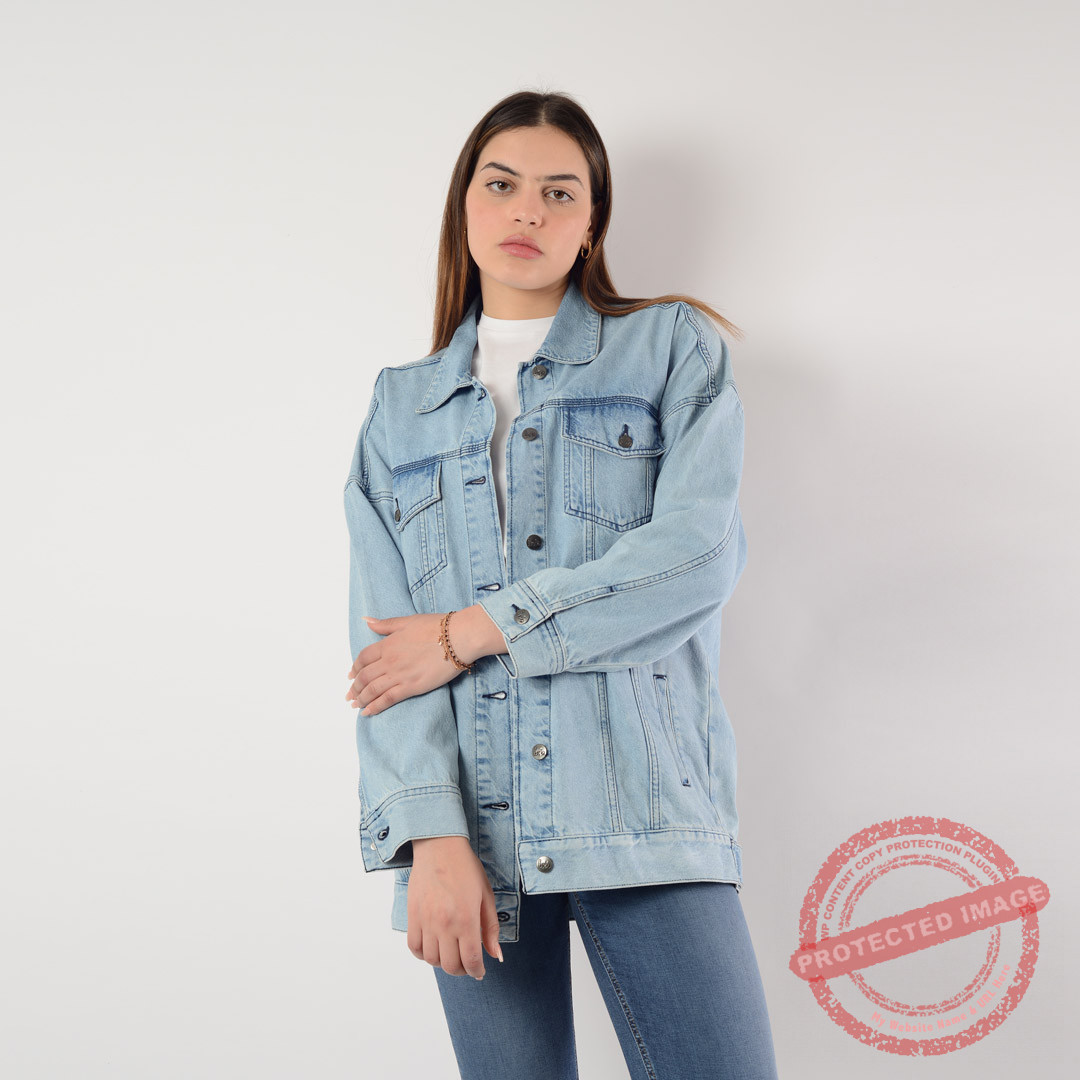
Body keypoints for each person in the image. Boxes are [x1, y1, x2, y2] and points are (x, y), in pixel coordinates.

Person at [343, 90, 779, 1080]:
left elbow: (696, 558)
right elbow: (383, 655)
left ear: (592, 222)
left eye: (559, 192)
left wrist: (472, 629)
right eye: (501, 185)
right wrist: (429, 835)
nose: (527, 211)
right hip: (472, 840)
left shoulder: (670, 348)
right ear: (464, 206)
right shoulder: (399, 408)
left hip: (646, 813)